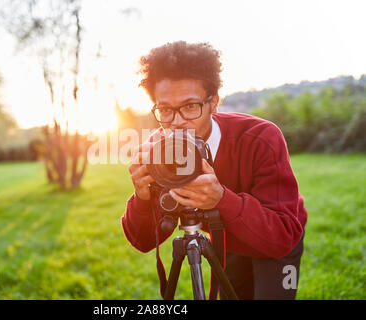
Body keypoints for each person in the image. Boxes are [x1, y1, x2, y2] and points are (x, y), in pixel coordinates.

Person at [121, 41, 307, 300]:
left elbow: (282, 237)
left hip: (276, 236)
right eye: (165, 110)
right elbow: (142, 242)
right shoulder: (158, 150)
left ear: (214, 102)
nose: (177, 122)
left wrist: (221, 199)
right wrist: (141, 199)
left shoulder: (260, 138)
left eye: (190, 106)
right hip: (226, 237)